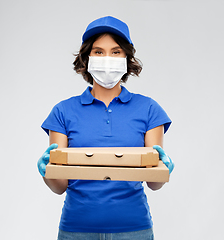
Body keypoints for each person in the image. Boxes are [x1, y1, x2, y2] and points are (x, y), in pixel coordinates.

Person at [37, 16, 174, 240]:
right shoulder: (63, 112)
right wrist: (46, 171)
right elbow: (59, 185)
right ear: (87, 57)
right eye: (98, 51)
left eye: (116, 51)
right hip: (76, 230)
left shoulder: (149, 110)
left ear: (127, 57)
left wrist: (163, 167)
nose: (107, 58)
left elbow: (154, 183)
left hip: (134, 230)